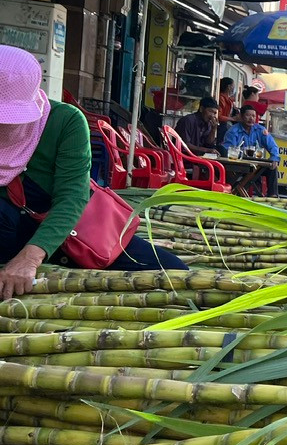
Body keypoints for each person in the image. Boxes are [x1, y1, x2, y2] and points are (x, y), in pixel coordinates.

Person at [0, 46, 186, 299]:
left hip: (70, 229)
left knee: (176, 273)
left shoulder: (64, 121)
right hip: (7, 233)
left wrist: (30, 258)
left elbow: (72, 197)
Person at [221, 105, 280, 196]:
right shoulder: (233, 131)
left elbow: (273, 146)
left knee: (272, 168)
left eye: (253, 116)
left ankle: (273, 195)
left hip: (256, 166)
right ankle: (235, 191)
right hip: (238, 165)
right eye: (248, 115)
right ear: (241, 116)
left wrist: (274, 158)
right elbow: (227, 149)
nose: (251, 118)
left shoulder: (260, 130)